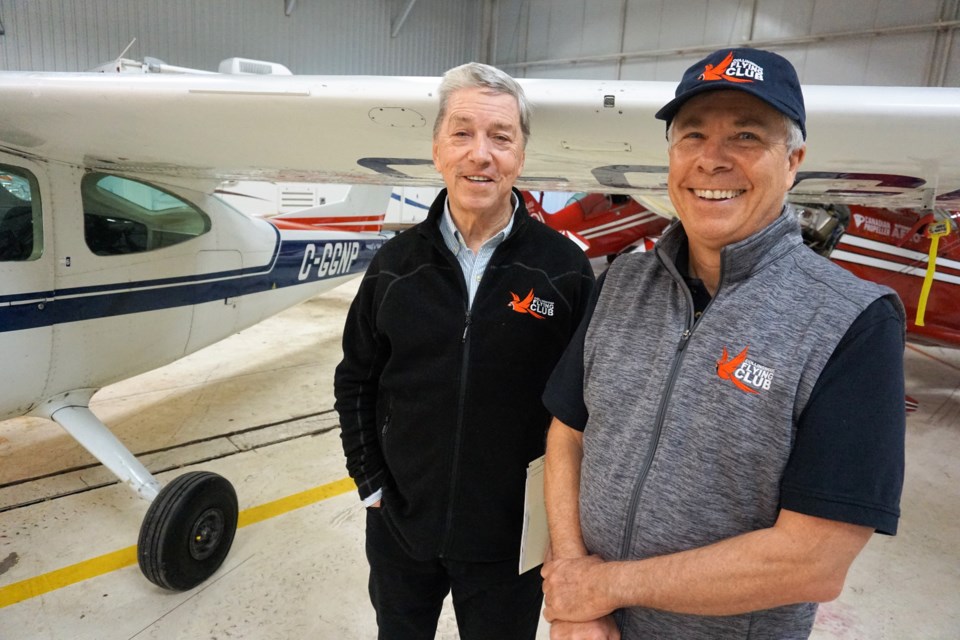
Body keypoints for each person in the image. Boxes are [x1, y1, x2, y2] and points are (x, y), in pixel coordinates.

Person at [540, 48, 906, 639]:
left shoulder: (853, 322)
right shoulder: (622, 285)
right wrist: (573, 585)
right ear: (670, 156)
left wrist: (602, 587)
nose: (712, 160)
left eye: (745, 135)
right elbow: (568, 433)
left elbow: (813, 560)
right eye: (692, 135)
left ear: (793, 162)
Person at [334, 62, 595, 640]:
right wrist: (371, 482)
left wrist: (562, 527)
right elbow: (356, 378)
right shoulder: (395, 266)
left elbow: (588, 407)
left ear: (521, 156)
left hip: (510, 540)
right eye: (462, 133)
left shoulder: (564, 270)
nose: (481, 154)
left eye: (501, 137)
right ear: (437, 150)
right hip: (402, 529)